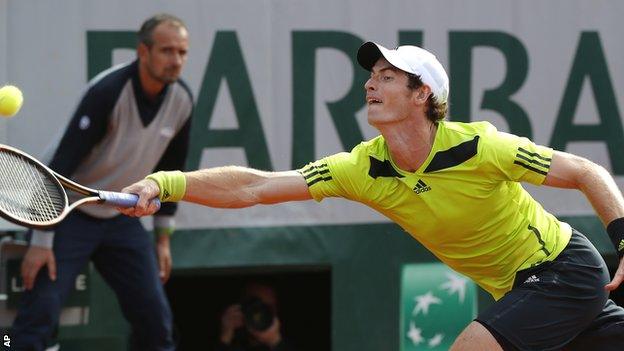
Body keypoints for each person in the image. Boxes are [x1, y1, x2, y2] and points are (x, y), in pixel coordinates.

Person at [119, 41, 624, 350]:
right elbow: (256, 185)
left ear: (423, 94)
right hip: (518, 293)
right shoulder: (362, 167)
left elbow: (584, 171)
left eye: (387, 77)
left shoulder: (480, 145)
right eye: (371, 77)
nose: (370, 85)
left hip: (563, 270)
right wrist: (164, 184)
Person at [11, 13, 193, 351]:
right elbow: (61, 165)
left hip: (120, 216)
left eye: (182, 53)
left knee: (157, 324)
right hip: (66, 212)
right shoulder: (107, 91)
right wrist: (41, 240)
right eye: (167, 51)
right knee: (39, 319)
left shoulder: (182, 100)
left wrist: (163, 239)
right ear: (143, 51)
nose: (176, 61)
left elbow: (173, 168)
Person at [216, 282, 294, 351]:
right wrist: (225, 337)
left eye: (267, 308)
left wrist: (276, 342)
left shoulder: (289, 342)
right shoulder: (232, 343)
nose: (259, 314)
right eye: (256, 307)